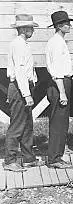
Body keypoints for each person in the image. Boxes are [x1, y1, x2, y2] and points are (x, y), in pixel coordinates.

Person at [5, 15, 41, 172]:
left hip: (25, 86)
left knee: (27, 125)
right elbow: (19, 71)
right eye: (31, 27)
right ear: (24, 29)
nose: (32, 30)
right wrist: (26, 94)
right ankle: (10, 160)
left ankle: (28, 158)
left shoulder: (23, 44)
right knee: (17, 125)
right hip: (19, 89)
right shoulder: (18, 45)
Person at [45, 10, 73, 169]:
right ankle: (54, 159)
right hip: (59, 85)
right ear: (58, 26)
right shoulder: (56, 43)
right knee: (58, 123)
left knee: (62, 122)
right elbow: (56, 70)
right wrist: (62, 92)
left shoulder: (59, 41)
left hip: (63, 81)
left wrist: (72, 70)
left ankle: (57, 155)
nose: (69, 25)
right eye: (66, 23)